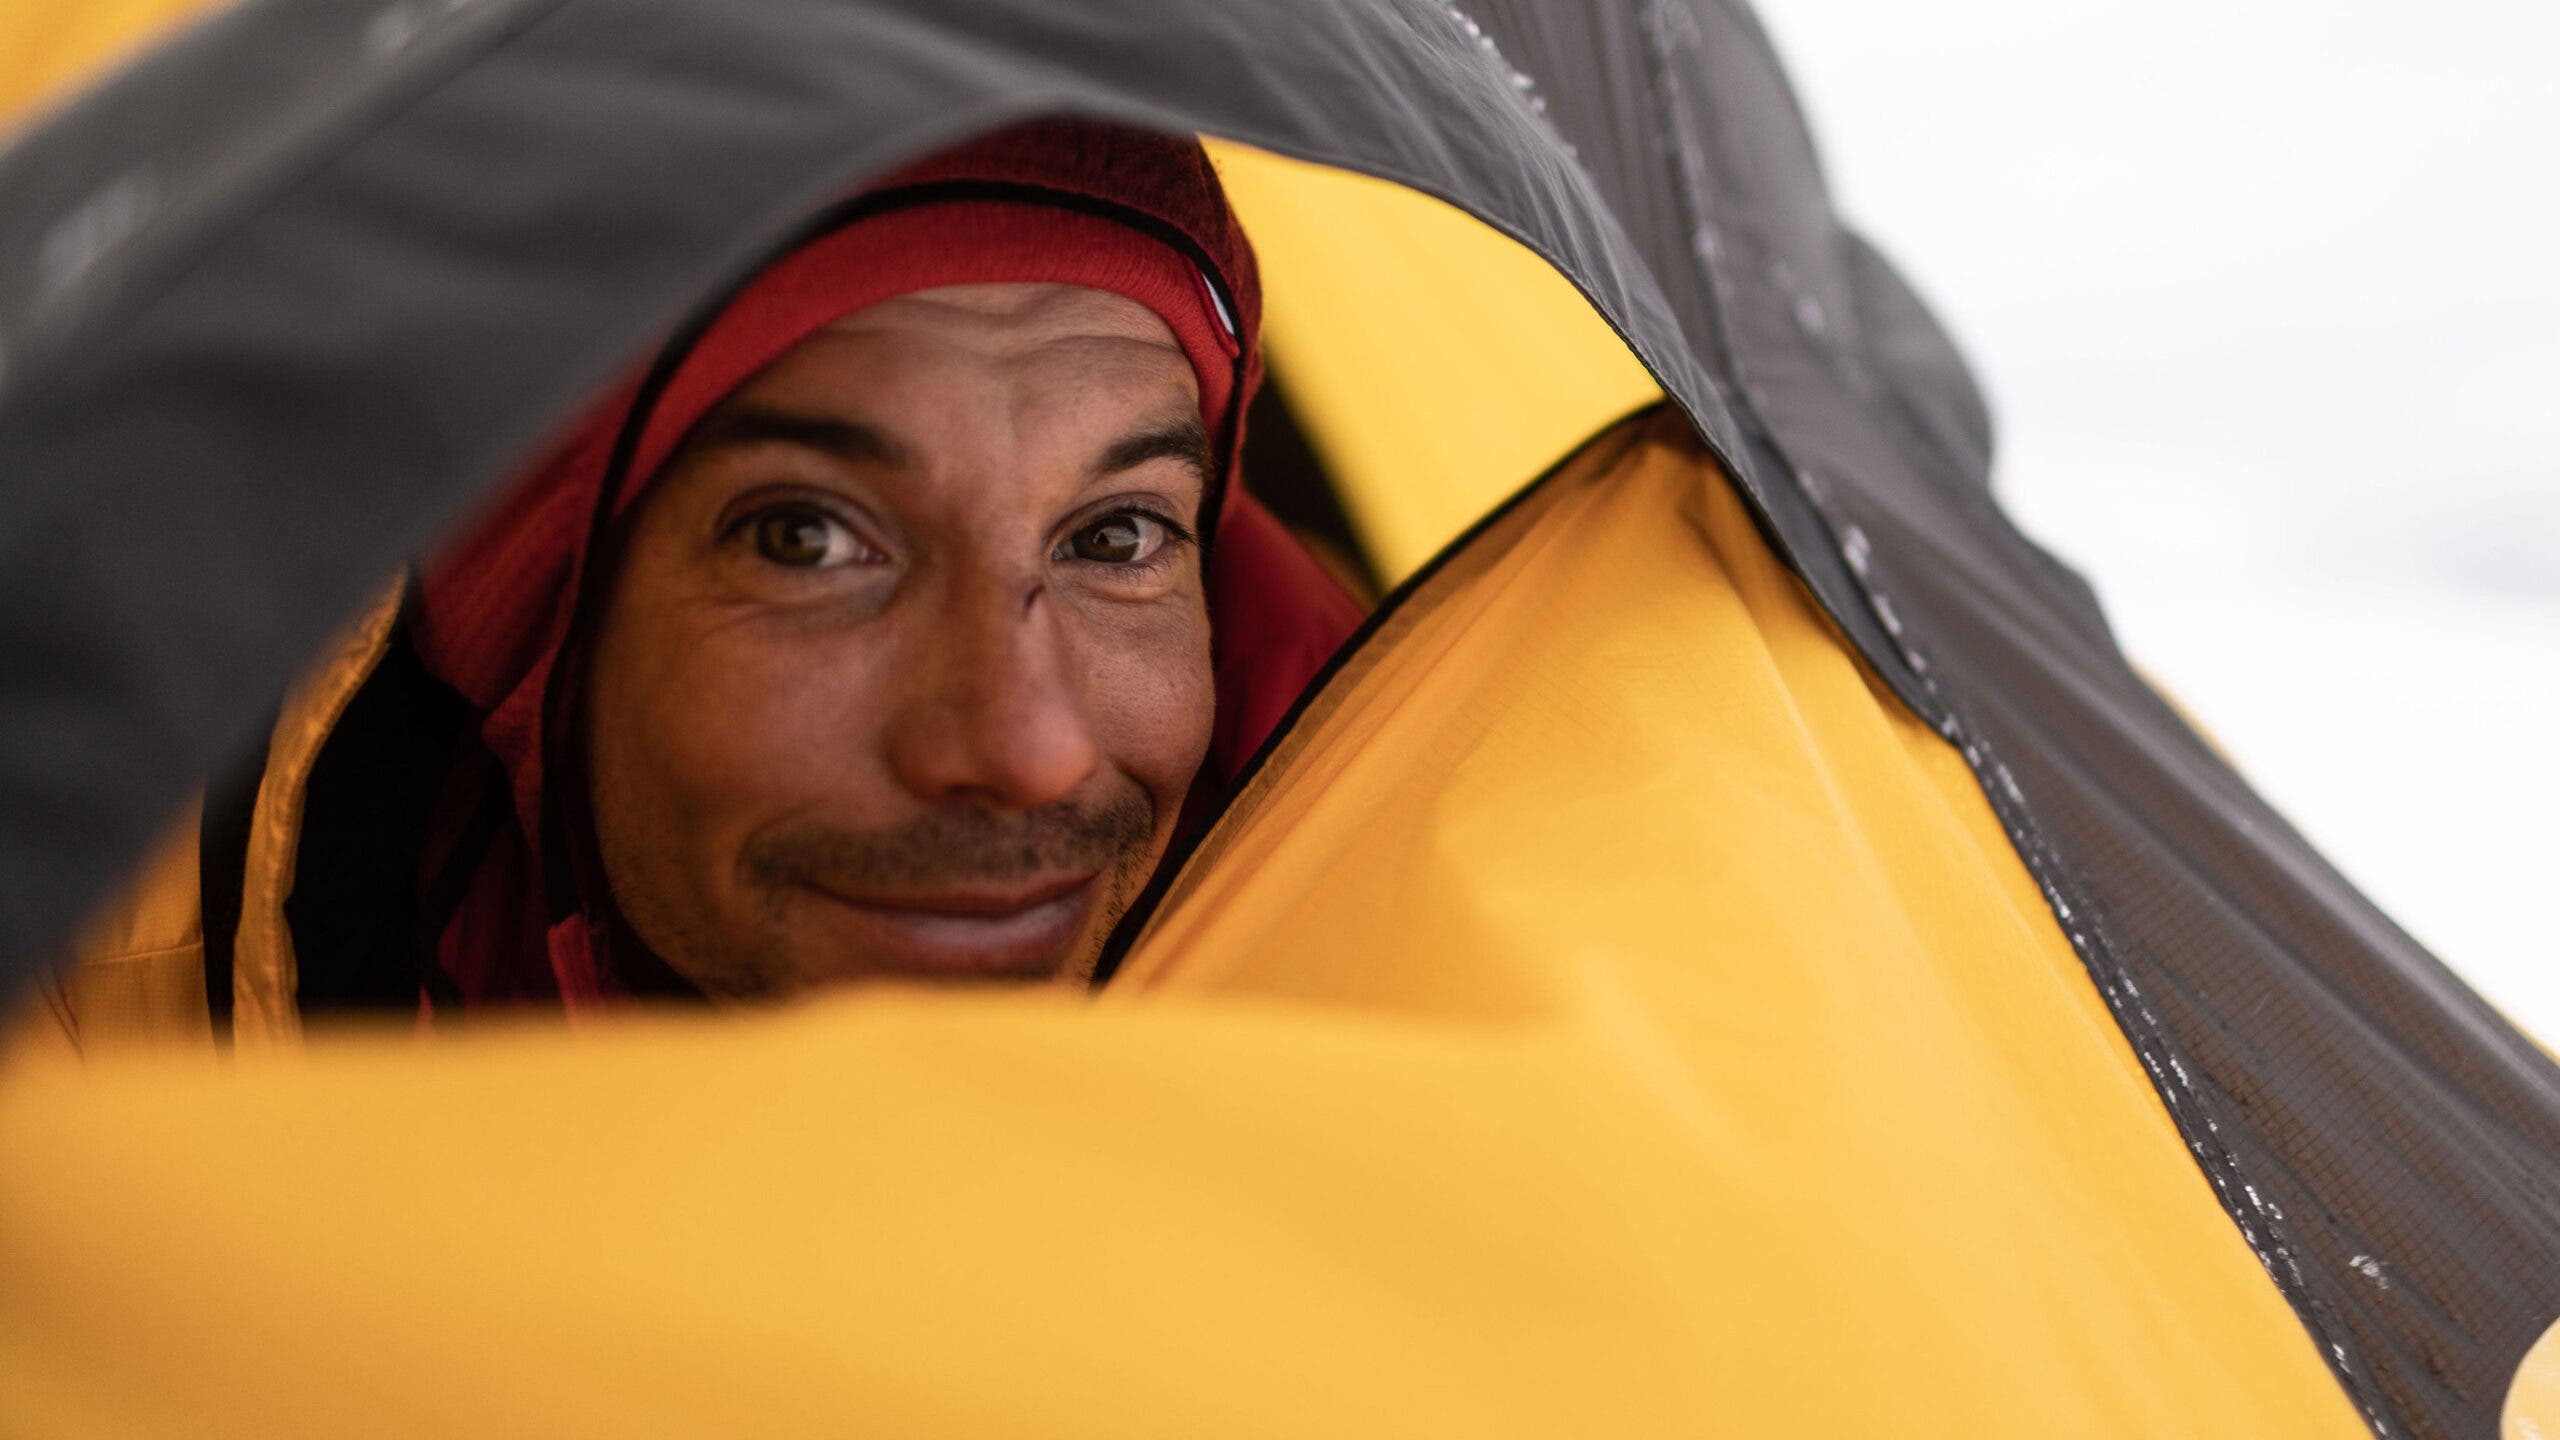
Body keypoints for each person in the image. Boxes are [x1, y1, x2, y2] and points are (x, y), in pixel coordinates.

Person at [17, 119, 1365, 1049]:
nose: (1027, 748)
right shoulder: (96, 993)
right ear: (537, 620)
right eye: (806, 539)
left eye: (1117, 538)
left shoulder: (1474, 999)